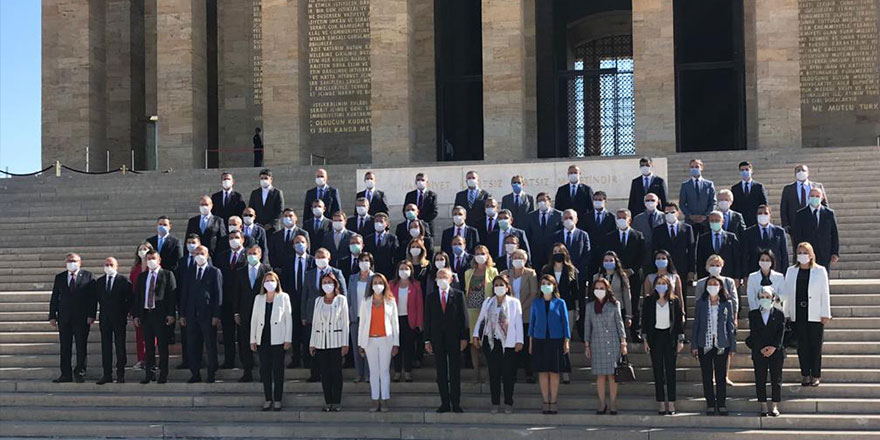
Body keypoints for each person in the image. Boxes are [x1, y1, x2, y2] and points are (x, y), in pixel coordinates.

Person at [472, 275, 524, 413]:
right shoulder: (488, 302)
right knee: (493, 374)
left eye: (502, 284)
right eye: (496, 285)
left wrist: (520, 340)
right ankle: (495, 402)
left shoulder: (514, 302)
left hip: (509, 343)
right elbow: (481, 319)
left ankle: (508, 402)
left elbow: (518, 322)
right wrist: (476, 335)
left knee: (508, 374)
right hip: (492, 342)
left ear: (507, 287)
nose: (499, 287)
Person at [783, 242, 831, 387]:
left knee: (815, 345)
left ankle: (815, 374)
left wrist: (825, 313)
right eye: (800, 252)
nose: (802, 255)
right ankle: (805, 374)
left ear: (811, 255)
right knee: (802, 346)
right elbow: (787, 293)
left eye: (805, 253)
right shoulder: (791, 271)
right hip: (798, 313)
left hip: (815, 313)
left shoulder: (820, 270)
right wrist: (786, 313)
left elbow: (825, 292)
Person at [424, 269, 469, 413]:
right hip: (437, 339)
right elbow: (427, 320)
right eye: (439, 277)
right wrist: (427, 340)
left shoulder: (458, 295)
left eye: (445, 277)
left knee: (454, 371)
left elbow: (464, 318)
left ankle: (455, 402)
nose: (441, 279)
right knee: (441, 372)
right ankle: (444, 402)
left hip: (454, 338)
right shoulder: (431, 297)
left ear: (451, 279)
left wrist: (464, 337)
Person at [691, 275, 737, 416]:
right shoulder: (701, 303)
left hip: (722, 344)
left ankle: (721, 403)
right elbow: (696, 324)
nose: (712, 286)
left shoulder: (726, 303)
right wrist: (694, 345)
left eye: (715, 284)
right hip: (704, 343)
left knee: (721, 375)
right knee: (706, 375)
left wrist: (733, 346)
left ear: (720, 287)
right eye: (710, 284)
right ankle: (710, 403)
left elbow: (730, 326)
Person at [300, 248, 348, 381]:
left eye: (323, 256)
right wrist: (303, 314)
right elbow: (305, 295)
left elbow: (343, 292)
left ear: (329, 258)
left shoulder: (336, 273)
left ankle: (330, 373)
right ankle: (314, 373)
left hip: (333, 315)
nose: (320, 259)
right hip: (313, 315)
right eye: (318, 256)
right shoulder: (309, 274)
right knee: (315, 345)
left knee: (330, 349)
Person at [640, 275, 684, 415]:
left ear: (668, 285)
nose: (660, 286)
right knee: (658, 371)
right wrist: (645, 340)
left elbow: (678, 323)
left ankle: (671, 403)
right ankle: (661, 403)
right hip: (655, 338)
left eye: (663, 283)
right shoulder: (649, 301)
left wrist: (680, 340)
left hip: (669, 338)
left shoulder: (674, 301)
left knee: (670, 371)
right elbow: (645, 322)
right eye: (658, 283)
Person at [178, 245, 222, 383]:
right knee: (192, 345)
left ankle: (211, 373)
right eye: (196, 253)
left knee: (210, 345)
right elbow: (184, 294)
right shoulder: (189, 272)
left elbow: (218, 294)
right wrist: (182, 314)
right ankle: (195, 373)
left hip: (208, 315)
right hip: (191, 315)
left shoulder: (214, 272)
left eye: (201, 253)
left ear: (207, 255)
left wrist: (216, 315)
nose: (199, 255)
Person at [132, 250, 177, 384]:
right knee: (149, 347)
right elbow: (138, 297)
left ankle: (163, 374)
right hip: (146, 315)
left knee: (162, 346)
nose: (151, 260)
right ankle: (149, 374)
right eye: (148, 258)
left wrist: (171, 313)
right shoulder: (142, 276)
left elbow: (171, 296)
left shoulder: (167, 274)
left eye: (153, 258)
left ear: (159, 260)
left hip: (161, 315)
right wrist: (136, 315)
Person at [49, 253, 95, 383]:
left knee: (81, 347)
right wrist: (52, 315)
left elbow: (92, 298)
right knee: (65, 347)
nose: (71, 263)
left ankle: (80, 372)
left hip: (81, 318)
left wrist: (91, 314)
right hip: (64, 318)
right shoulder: (60, 277)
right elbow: (55, 297)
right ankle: (65, 374)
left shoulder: (88, 276)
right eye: (69, 261)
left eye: (74, 261)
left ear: (80, 262)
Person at [583, 278, 627, 415]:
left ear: (607, 290)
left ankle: (613, 402)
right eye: (597, 288)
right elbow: (587, 326)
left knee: (613, 376)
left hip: (612, 343)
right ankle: (602, 403)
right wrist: (587, 345)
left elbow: (619, 323)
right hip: (597, 344)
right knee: (600, 376)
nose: (599, 291)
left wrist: (623, 342)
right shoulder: (590, 306)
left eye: (602, 288)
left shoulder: (614, 304)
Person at [250, 271, 293, 411]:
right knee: (265, 370)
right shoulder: (259, 298)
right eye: (267, 280)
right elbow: (254, 319)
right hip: (263, 338)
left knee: (278, 370)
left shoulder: (283, 297)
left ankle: (278, 399)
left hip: (278, 339)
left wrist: (288, 338)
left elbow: (288, 319)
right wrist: (253, 339)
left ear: (277, 282)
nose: (269, 283)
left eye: (272, 280)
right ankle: (268, 398)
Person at [529, 275, 570, 414]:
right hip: (540, 339)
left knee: (554, 372)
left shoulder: (560, 302)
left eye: (549, 283)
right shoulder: (536, 302)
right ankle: (545, 400)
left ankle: (553, 400)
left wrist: (567, 340)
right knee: (543, 371)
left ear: (554, 286)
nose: (546, 285)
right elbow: (532, 322)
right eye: (543, 283)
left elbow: (565, 322)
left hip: (556, 339)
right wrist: (530, 342)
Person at [358, 274, 399, 411]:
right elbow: (362, 323)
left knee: (384, 371)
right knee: (373, 372)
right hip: (370, 340)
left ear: (385, 284)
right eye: (375, 282)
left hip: (386, 340)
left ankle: (385, 399)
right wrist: (361, 344)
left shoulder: (390, 301)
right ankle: (375, 400)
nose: (377, 285)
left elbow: (395, 323)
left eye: (380, 282)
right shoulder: (366, 301)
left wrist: (396, 343)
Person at [309, 272, 350, 411]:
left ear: (335, 284)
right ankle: (328, 402)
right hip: (321, 342)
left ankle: (337, 401)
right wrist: (312, 343)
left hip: (336, 342)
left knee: (336, 373)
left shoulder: (341, 300)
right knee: (325, 373)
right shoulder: (318, 301)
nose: (327, 285)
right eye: (324, 283)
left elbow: (345, 323)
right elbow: (315, 323)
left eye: (329, 282)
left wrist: (345, 343)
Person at [602, 210, 645, 339]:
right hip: (616, 276)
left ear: (629, 219)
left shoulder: (638, 235)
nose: (621, 219)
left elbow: (642, 255)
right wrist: (617, 271)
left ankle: (635, 330)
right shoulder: (610, 236)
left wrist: (631, 270)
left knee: (634, 301)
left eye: (623, 217)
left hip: (633, 274)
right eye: (618, 217)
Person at [541, 243, 580, 383]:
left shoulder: (571, 270)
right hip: (550, 307)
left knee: (565, 339)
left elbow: (576, 292)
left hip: (568, 307)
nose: (557, 253)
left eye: (560, 251)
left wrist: (577, 309)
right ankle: (553, 368)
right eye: (555, 251)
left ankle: (565, 372)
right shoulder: (546, 269)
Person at [234, 245, 272, 382]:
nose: (252, 256)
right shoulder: (240, 271)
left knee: (263, 343)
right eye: (249, 253)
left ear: (260, 255)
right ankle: (247, 371)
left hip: (262, 312)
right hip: (245, 313)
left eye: (254, 253)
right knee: (244, 343)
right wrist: (236, 312)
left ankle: (264, 372)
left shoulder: (267, 271)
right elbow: (236, 293)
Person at [500, 249, 537, 383]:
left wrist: (519, 307)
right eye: (515, 257)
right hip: (508, 315)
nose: (517, 259)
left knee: (526, 345)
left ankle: (529, 372)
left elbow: (533, 294)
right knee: (510, 346)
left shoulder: (531, 273)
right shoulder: (504, 274)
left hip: (525, 314)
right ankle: (511, 373)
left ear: (525, 259)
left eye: (520, 257)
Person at [94, 257, 133, 384]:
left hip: (119, 318)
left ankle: (120, 374)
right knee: (106, 347)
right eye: (106, 264)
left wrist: (127, 312)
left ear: (117, 266)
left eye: (111, 264)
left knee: (120, 346)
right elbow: (95, 300)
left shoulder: (124, 280)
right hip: (105, 318)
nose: (109, 266)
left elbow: (129, 299)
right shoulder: (99, 282)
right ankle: (107, 374)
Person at [749, 286, 785, 417]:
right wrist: (761, 348)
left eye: (768, 297)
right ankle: (763, 405)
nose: (765, 299)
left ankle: (774, 405)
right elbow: (754, 333)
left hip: (776, 351)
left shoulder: (779, 314)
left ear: (773, 298)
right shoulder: (753, 314)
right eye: (762, 297)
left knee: (776, 379)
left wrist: (773, 347)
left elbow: (781, 333)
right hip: (759, 351)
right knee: (760, 378)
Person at [463, 245, 497, 382]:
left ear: (487, 255)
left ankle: (490, 372)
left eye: (482, 253)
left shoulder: (493, 271)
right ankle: (475, 372)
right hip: (471, 309)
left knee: (487, 341)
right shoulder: (468, 273)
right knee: (473, 341)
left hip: (487, 310)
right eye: (477, 253)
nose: (479, 255)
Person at [215, 231, 247, 369]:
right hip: (227, 299)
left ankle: (245, 361)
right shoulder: (222, 256)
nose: (234, 240)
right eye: (231, 238)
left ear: (243, 239)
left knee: (243, 334)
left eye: (236, 238)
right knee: (228, 333)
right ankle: (229, 360)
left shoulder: (248, 256)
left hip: (242, 300)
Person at [281, 234, 314, 369]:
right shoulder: (288, 261)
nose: (299, 244)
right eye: (296, 242)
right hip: (293, 300)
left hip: (308, 301)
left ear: (306, 244)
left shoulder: (312, 261)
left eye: (302, 242)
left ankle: (308, 358)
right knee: (294, 330)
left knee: (308, 332)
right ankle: (295, 358)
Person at [390, 260, 424, 382]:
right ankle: (397, 371)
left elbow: (419, 305)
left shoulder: (416, 285)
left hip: (410, 320)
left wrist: (420, 322)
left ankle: (408, 371)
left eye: (406, 268)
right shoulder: (391, 285)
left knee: (409, 346)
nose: (403, 271)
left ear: (411, 271)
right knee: (396, 345)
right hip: (395, 319)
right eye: (401, 268)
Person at [793, 187, 839, 269]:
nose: (815, 198)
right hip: (806, 253)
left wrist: (835, 252)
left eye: (817, 196)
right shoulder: (800, 214)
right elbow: (797, 235)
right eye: (812, 196)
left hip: (824, 253)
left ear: (822, 198)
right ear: (809, 197)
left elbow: (834, 233)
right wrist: (799, 252)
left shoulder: (829, 213)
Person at [348, 252, 374, 383]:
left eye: (367, 260)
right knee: (356, 346)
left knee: (368, 347)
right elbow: (349, 298)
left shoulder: (375, 278)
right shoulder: (353, 278)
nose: (364, 263)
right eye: (362, 260)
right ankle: (359, 373)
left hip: (370, 318)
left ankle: (369, 374)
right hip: (355, 317)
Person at [653, 202, 696, 283]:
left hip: (682, 268)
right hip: (664, 268)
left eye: (672, 212)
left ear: (678, 213)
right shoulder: (658, 230)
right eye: (667, 213)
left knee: (682, 293)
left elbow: (691, 250)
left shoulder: (687, 229)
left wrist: (691, 270)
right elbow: (655, 250)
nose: (670, 214)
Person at [780, 164, 828, 236]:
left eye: (803, 170)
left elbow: (824, 204)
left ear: (808, 173)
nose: (801, 172)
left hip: (815, 222)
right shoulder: (788, 189)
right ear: (795, 174)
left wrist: (826, 221)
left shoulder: (818, 186)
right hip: (795, 225)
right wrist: (785, 224)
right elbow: (784, 208)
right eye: (798, 171)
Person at [591, 252, 633, 334]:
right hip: (601, 310)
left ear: (615, 262)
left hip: (619, 310)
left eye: (611, 260)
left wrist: (628, 315)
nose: (608, 262)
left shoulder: (622, 276)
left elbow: (627, 296)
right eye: (606, 260)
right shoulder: (596, 277)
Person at [129, 242, 155, 370]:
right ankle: (141, 359)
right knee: (140, 334)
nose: (143, 251)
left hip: (153, 305)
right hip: (138, 305)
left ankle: (151, 359)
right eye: (141, 249)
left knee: (152, 335)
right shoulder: (135, 269)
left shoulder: (154, 267)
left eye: (146, 249)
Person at [741, 205, 789, 274]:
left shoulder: (779, 232)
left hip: (775, 273)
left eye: (766, 213)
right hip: (755, 273)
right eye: (760, 213)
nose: (762, 215)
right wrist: (745, 275)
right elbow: (745, 255)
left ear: (770, 215)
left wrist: (785, 273)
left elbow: (784, 255)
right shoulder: (748, 233)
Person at [695, 211, 741, 281]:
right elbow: (700, 260)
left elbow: (736, 258)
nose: (714, 223)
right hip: (709, 279)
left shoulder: (731, 237)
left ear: (722, 222)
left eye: (717, 220)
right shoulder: (703, 238)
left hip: (728, 277)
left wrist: (737, 277)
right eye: (712, 221)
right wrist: (701, 279)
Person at [642, 250, 687, 321]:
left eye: (663, 258)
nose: (661, 260)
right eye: (658, 258)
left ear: (668, 261)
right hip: (654, 310)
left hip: (671, 310)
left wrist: (682, 313)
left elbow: (680, 297)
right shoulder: (649, 277)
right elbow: (646, 297)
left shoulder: (675, 277)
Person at [524, 192, 562, 272]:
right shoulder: (531, 216)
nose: (541, 202)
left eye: (544, 200)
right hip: (536, 254)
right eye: (539, 201)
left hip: (552, 253)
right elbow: (528, 235)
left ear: (549, 201)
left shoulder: (558, 215)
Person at [679, 159, 717, 237]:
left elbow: (713, 202)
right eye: (692, 167)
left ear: (701, 167)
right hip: (690, 221)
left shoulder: (709, 184)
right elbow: (682, 203)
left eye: (696, 166)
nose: (694, 169)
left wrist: (705, 215)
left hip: (705, 221)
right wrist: (690, 215)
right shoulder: (685, 185)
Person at [552, 209, 591, 277]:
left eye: (571, 218)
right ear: (562, 220)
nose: (568, 220)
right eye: (566, 218)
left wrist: (578, 270)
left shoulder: (583, 235)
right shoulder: (555, 236)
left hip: (578, 273)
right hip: (560, 272)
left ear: (576, 220)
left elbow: (586, 254)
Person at [631, 193, 665, 272]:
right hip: (644, 255)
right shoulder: (637, 218)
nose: (650, 202)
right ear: (644, 202)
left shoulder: (664, 217)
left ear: (657, 202)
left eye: (652, 200)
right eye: (647, 200)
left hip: (660, 255)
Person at [583, 192, 616, 269]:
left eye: (600, 199)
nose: (597, 201)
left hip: (606, 253)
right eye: (595, 199)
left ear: (605, 201)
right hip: (591, 252)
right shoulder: (586, 217)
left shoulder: (612, 217)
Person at [730, 161, 768, 228]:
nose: (744, 172)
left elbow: (764, 203)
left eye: (747, 169)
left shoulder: (759, 187)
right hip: (741, 221)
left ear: (751, 171)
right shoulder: (735, 188)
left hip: (755, 220)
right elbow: (733, 206)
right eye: (742, 170)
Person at [364, 213, 399, 279]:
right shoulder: (368, 239)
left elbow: (396, 257)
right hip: (372, 272)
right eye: (376, 221)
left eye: (381, 221)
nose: (378, 223)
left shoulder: (392, 238)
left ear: (386, 224)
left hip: (388, 273)